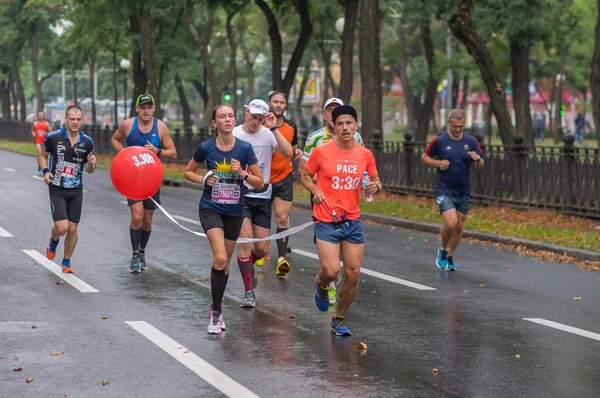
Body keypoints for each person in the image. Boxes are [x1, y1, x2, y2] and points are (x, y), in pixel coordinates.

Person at [301, 105, 381, 336]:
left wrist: (376, 186)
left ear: (356, 126)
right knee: (332, 270)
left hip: (352, 220)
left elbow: (375, 180)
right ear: (334, 127)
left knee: (353, 272)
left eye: (349, 123)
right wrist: (315, 190)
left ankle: (339, 318)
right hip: (326, 218)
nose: (345, 128)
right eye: (340, 124)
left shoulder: (365, 155)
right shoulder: (322, 151)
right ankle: (321, 283)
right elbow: (305, 175)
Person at [184, 104, 264, 335]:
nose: (227, 120)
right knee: (219, 258)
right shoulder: (207, 147)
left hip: (234, 212)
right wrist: (203, 179)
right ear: (214, 123)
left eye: (230, 115)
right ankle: (217, 312)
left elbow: (260, 182)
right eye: (222, 116)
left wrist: (243, 174)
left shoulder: (244, 149)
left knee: (225, 264)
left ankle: (215, 307)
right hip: (211, 208)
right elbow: (188, 172)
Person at [297, 97, 364, 306]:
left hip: (347, 202)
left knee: (351, 266)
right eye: (330, 110)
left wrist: (369, 185)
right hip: (321, 195)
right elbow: (303, 170)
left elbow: (361, 165)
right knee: (330, 258)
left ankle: (330, 280)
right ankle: (329, 281)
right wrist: (322, 182)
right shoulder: (315, 139)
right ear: (327, 116)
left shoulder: (357, 138)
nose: (333, 113)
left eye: (337, 110)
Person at [233, 99, 293, 308]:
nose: (256, 121)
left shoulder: (268, 134)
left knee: (262, 248)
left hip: (261, 194)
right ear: (246, 112)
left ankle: (248, 265)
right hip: (239, 195)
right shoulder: (235, 134)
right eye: (253, 116)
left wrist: (274, 127)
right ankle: (249, 291)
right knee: (245, 242)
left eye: (260, 118)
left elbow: (287, 153)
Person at [111, 94, 177, 273]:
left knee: (147, 220)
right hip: (132, 178)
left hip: (151, 179)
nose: (146, 111)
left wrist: (158, 151)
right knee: (137, 216)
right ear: (137, 108)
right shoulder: (128, 125)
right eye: (143, 107)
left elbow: (173, 152)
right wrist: (124, 153)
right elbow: (115, 139)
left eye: (149, 107)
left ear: (154, 109)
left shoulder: (160, 127)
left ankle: (142, 251)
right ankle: (134, 254)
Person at [421, 108, 485, 272]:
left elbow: (481, 164)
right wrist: (438, 163)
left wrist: (477, 159)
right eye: (455, 126)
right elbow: (424, 157)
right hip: (445, 188)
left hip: (463, 189)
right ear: (449, 123)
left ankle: (450, 255)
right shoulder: (440, 141)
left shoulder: (471, 141)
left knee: (459, 226)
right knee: (451, 222)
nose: (457, 130)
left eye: (461, 127)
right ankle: (442, 250)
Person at [40, 105, 96, 273]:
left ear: (82, 120)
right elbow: (42, 155)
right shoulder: (53, 138)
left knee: (73, 228)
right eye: (72, 119)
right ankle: (54, 239)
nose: (75, 122)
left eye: (78, 119)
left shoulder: (87, 142)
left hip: (76, 190)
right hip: (57, 188)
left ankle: (66, 261)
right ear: (66, 119)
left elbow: (89, 170)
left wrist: (92, 164)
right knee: (62, 227)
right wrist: (46, 171)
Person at [264, 91, 303, 277]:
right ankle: (260, 251)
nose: (278, 105)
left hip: (284, 176)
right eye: (275, 102)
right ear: (269, 103)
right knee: (263, 220)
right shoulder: (260, 124)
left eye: (282, 102)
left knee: (281, 217)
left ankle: (281, 259)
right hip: (262, 179)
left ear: (285, 105)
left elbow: (293, 147)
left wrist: (297, 152)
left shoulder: (291, 126)